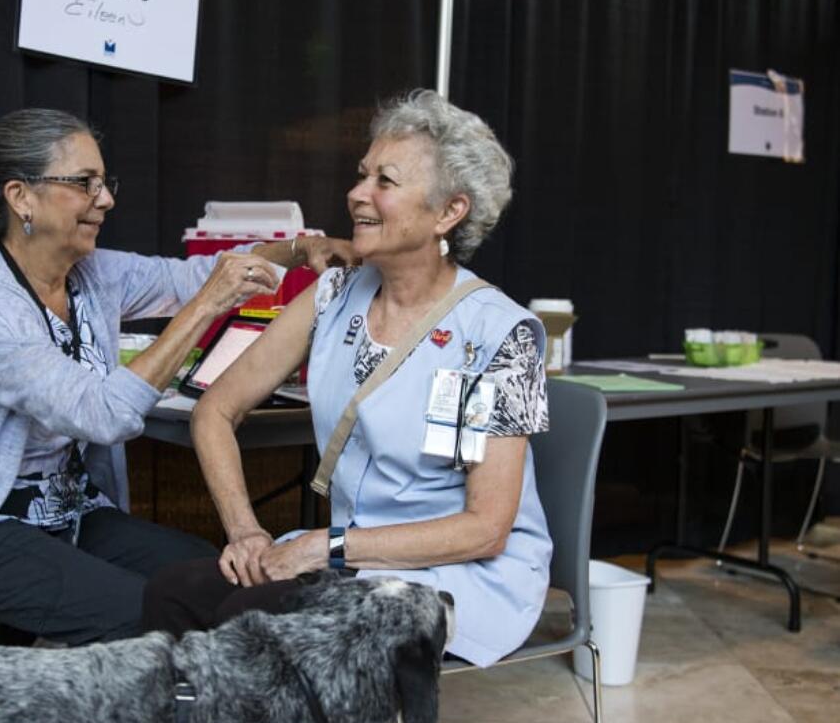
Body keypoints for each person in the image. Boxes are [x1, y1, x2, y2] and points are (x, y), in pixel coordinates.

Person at [0, 108, 354, 645]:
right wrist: (205, 306)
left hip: (65, 514)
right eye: (84, 184)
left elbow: (196, 274)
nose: (106, 199)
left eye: (104, 183)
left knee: (212, 578)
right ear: (21, 197)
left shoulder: (91, 273)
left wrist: (298, 249)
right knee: (144, 616)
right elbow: (103, 413)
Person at [144, 89, 553, 673]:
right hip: (350, 558)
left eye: (384, 181)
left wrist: (328, 548)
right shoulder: (334, 296)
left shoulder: (496, 335)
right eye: (362, 175)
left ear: (448, 212)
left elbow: (485, 530)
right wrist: (247, 533)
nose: (357, 194)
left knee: (256, 619)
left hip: (458, 574)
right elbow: (216, 410)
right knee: (173, 595)